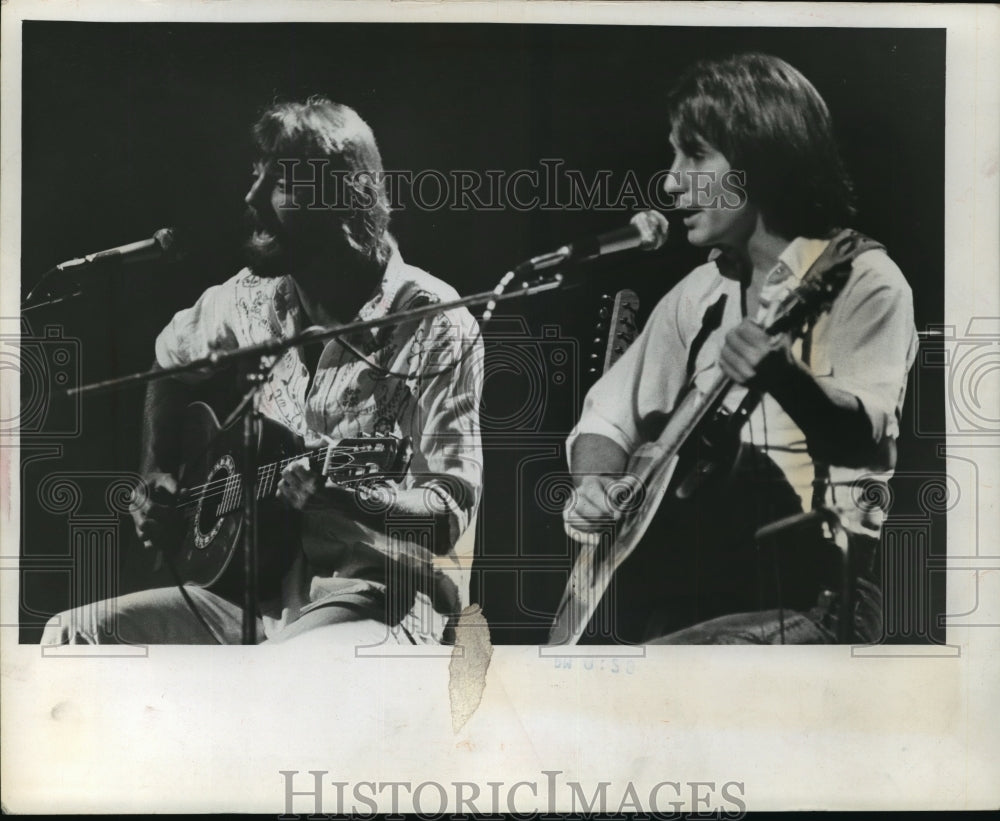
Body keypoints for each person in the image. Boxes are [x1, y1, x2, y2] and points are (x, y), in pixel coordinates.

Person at [42, 98, 484, 646]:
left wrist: (347, 497)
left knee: (284, 685)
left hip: (382, 592)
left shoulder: (436, 322)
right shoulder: (253, 295)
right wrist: (155, 471)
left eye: (282, 184)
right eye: (256, 178)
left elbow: (446, 514)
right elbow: (170, 362)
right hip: (252, 592)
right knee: (73, 635)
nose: (251, 199)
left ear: (346, 201)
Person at [560, 53, 918, 644]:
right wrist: (593, 484)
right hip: (691, 600)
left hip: (814, 600)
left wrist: (786, 379)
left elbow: (864, 435)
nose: (671, 180)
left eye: (695, 154)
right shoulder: (700, 292)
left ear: (762, 159)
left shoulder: (865, 281)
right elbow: (608, 416)